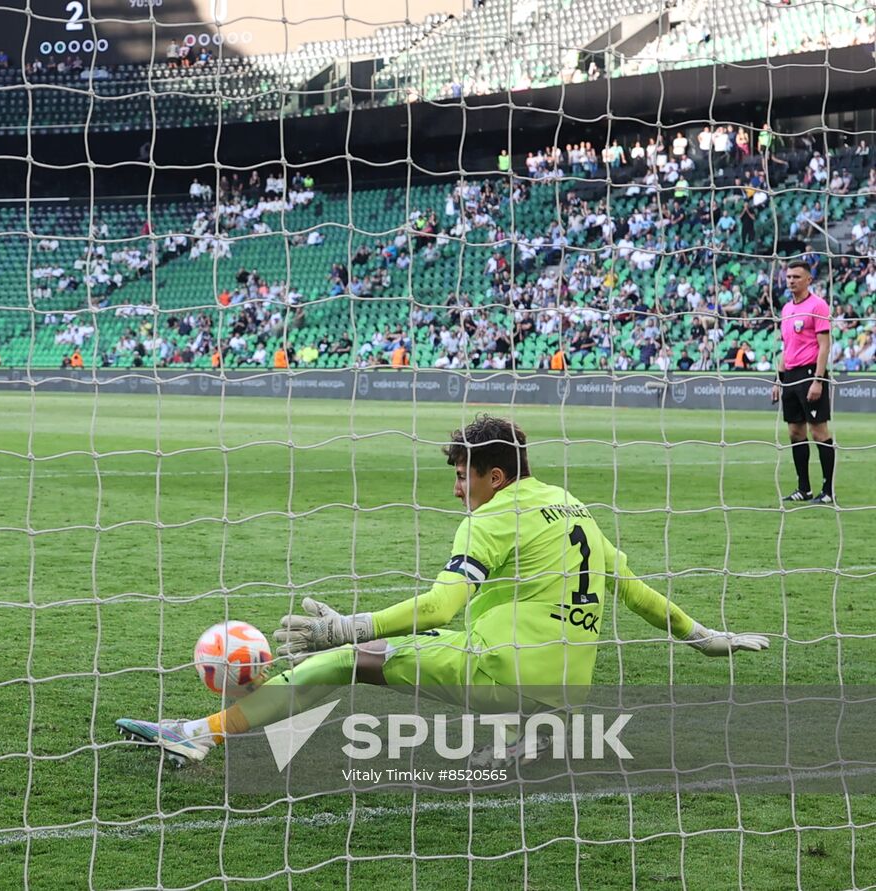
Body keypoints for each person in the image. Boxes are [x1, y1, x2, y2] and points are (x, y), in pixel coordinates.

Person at [116, 415, 769, 766]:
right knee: (457, 642)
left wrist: (351, 625)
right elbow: (637, 592)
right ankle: (538, 727)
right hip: (564, 682)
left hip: (498, 670)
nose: (458, 488)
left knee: (348, 661)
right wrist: (705, 637)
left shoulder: (490, 516)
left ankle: (199, 733)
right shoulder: (573, 508)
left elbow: (441, 605)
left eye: (463, 475)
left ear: (492, 474)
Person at [771, 260, 836, 504]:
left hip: (810, 373)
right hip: (791, 375)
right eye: (788, 277)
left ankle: (828, 491)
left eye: (797, 277)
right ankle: (804, 489)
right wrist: (779, 379)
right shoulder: (787, 309)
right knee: (795, 431)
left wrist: (818, 380)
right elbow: (786, 347)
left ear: (809, 279)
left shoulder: (817, 306)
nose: (791, 280)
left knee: (818, 431)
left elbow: (824, 345)